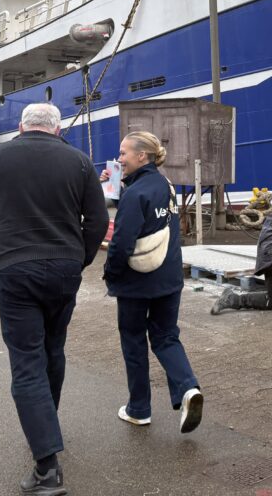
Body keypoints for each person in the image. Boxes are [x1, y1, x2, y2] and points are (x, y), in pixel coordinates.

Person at [0, 103, 109, 496]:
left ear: (20, 126)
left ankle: (47, 468)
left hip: (14, 270)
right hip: (64, 270)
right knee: (53, 348)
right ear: (57, 129)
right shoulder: (80, 161)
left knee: (27, 360)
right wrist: (77, 259)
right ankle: (45, 424)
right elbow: (98, 221)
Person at [102, 131, 204, 433]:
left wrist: (111, 273)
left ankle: (139, 409)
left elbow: (121, 241)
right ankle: (188, 389)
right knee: (166, 336)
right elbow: (149, 215)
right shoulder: (164, 185)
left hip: (137, 283)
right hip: (169, 278)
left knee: (134, 341)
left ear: (141, 156)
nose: (119, 159)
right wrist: (112, 185)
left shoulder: (135, 194)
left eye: (124, 153)